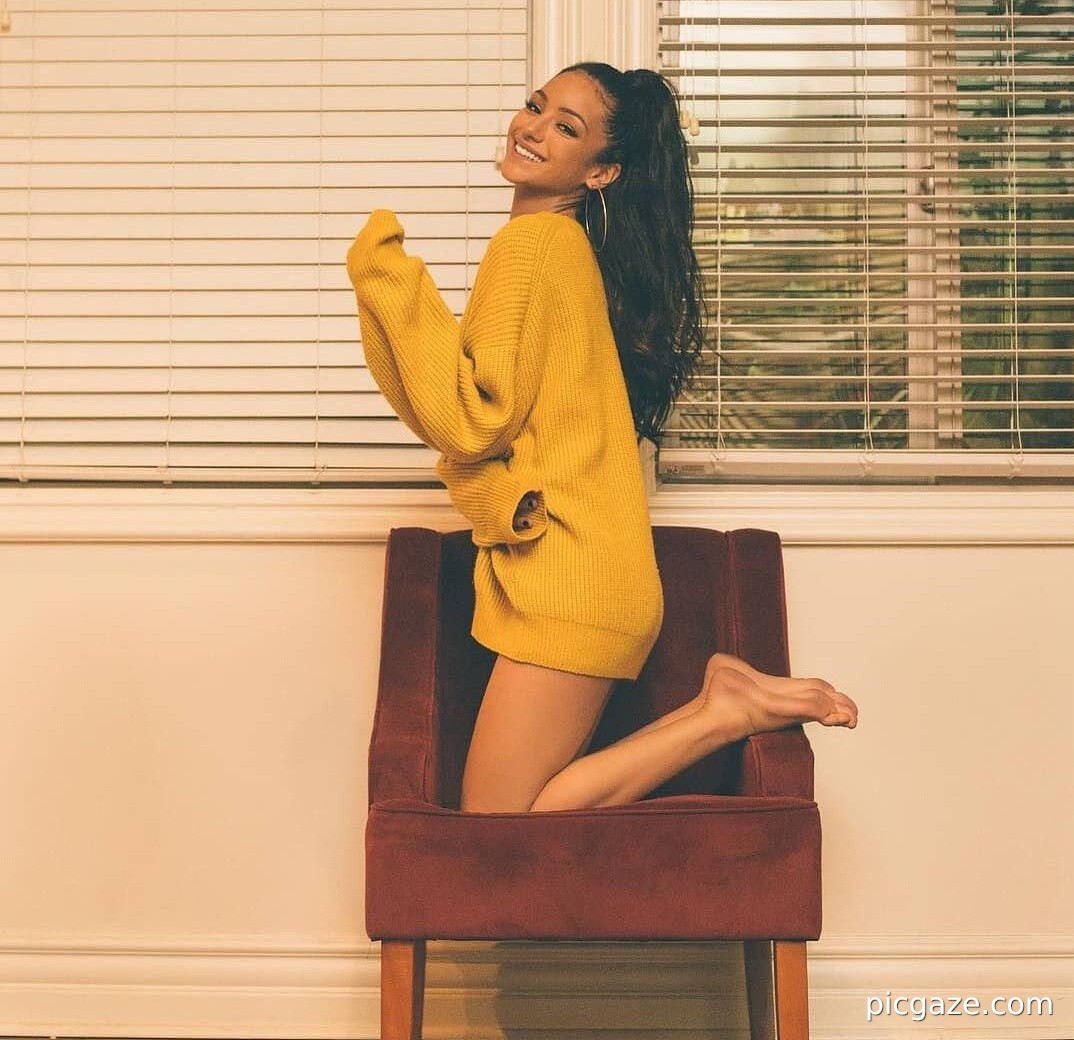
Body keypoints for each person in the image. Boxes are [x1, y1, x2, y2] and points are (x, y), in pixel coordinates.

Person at [347, 62, 859, 815]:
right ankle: (718, 702)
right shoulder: (559, 248)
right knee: (502, 817)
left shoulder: (535, 247)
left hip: (575, 580)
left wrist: (387, 282)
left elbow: (472, 420)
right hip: (587, 572)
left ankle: (723, 713)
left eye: (566, 127)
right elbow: (511, 423)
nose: (532, 128)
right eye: (536, 106)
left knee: (496, 825)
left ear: (601, 171)